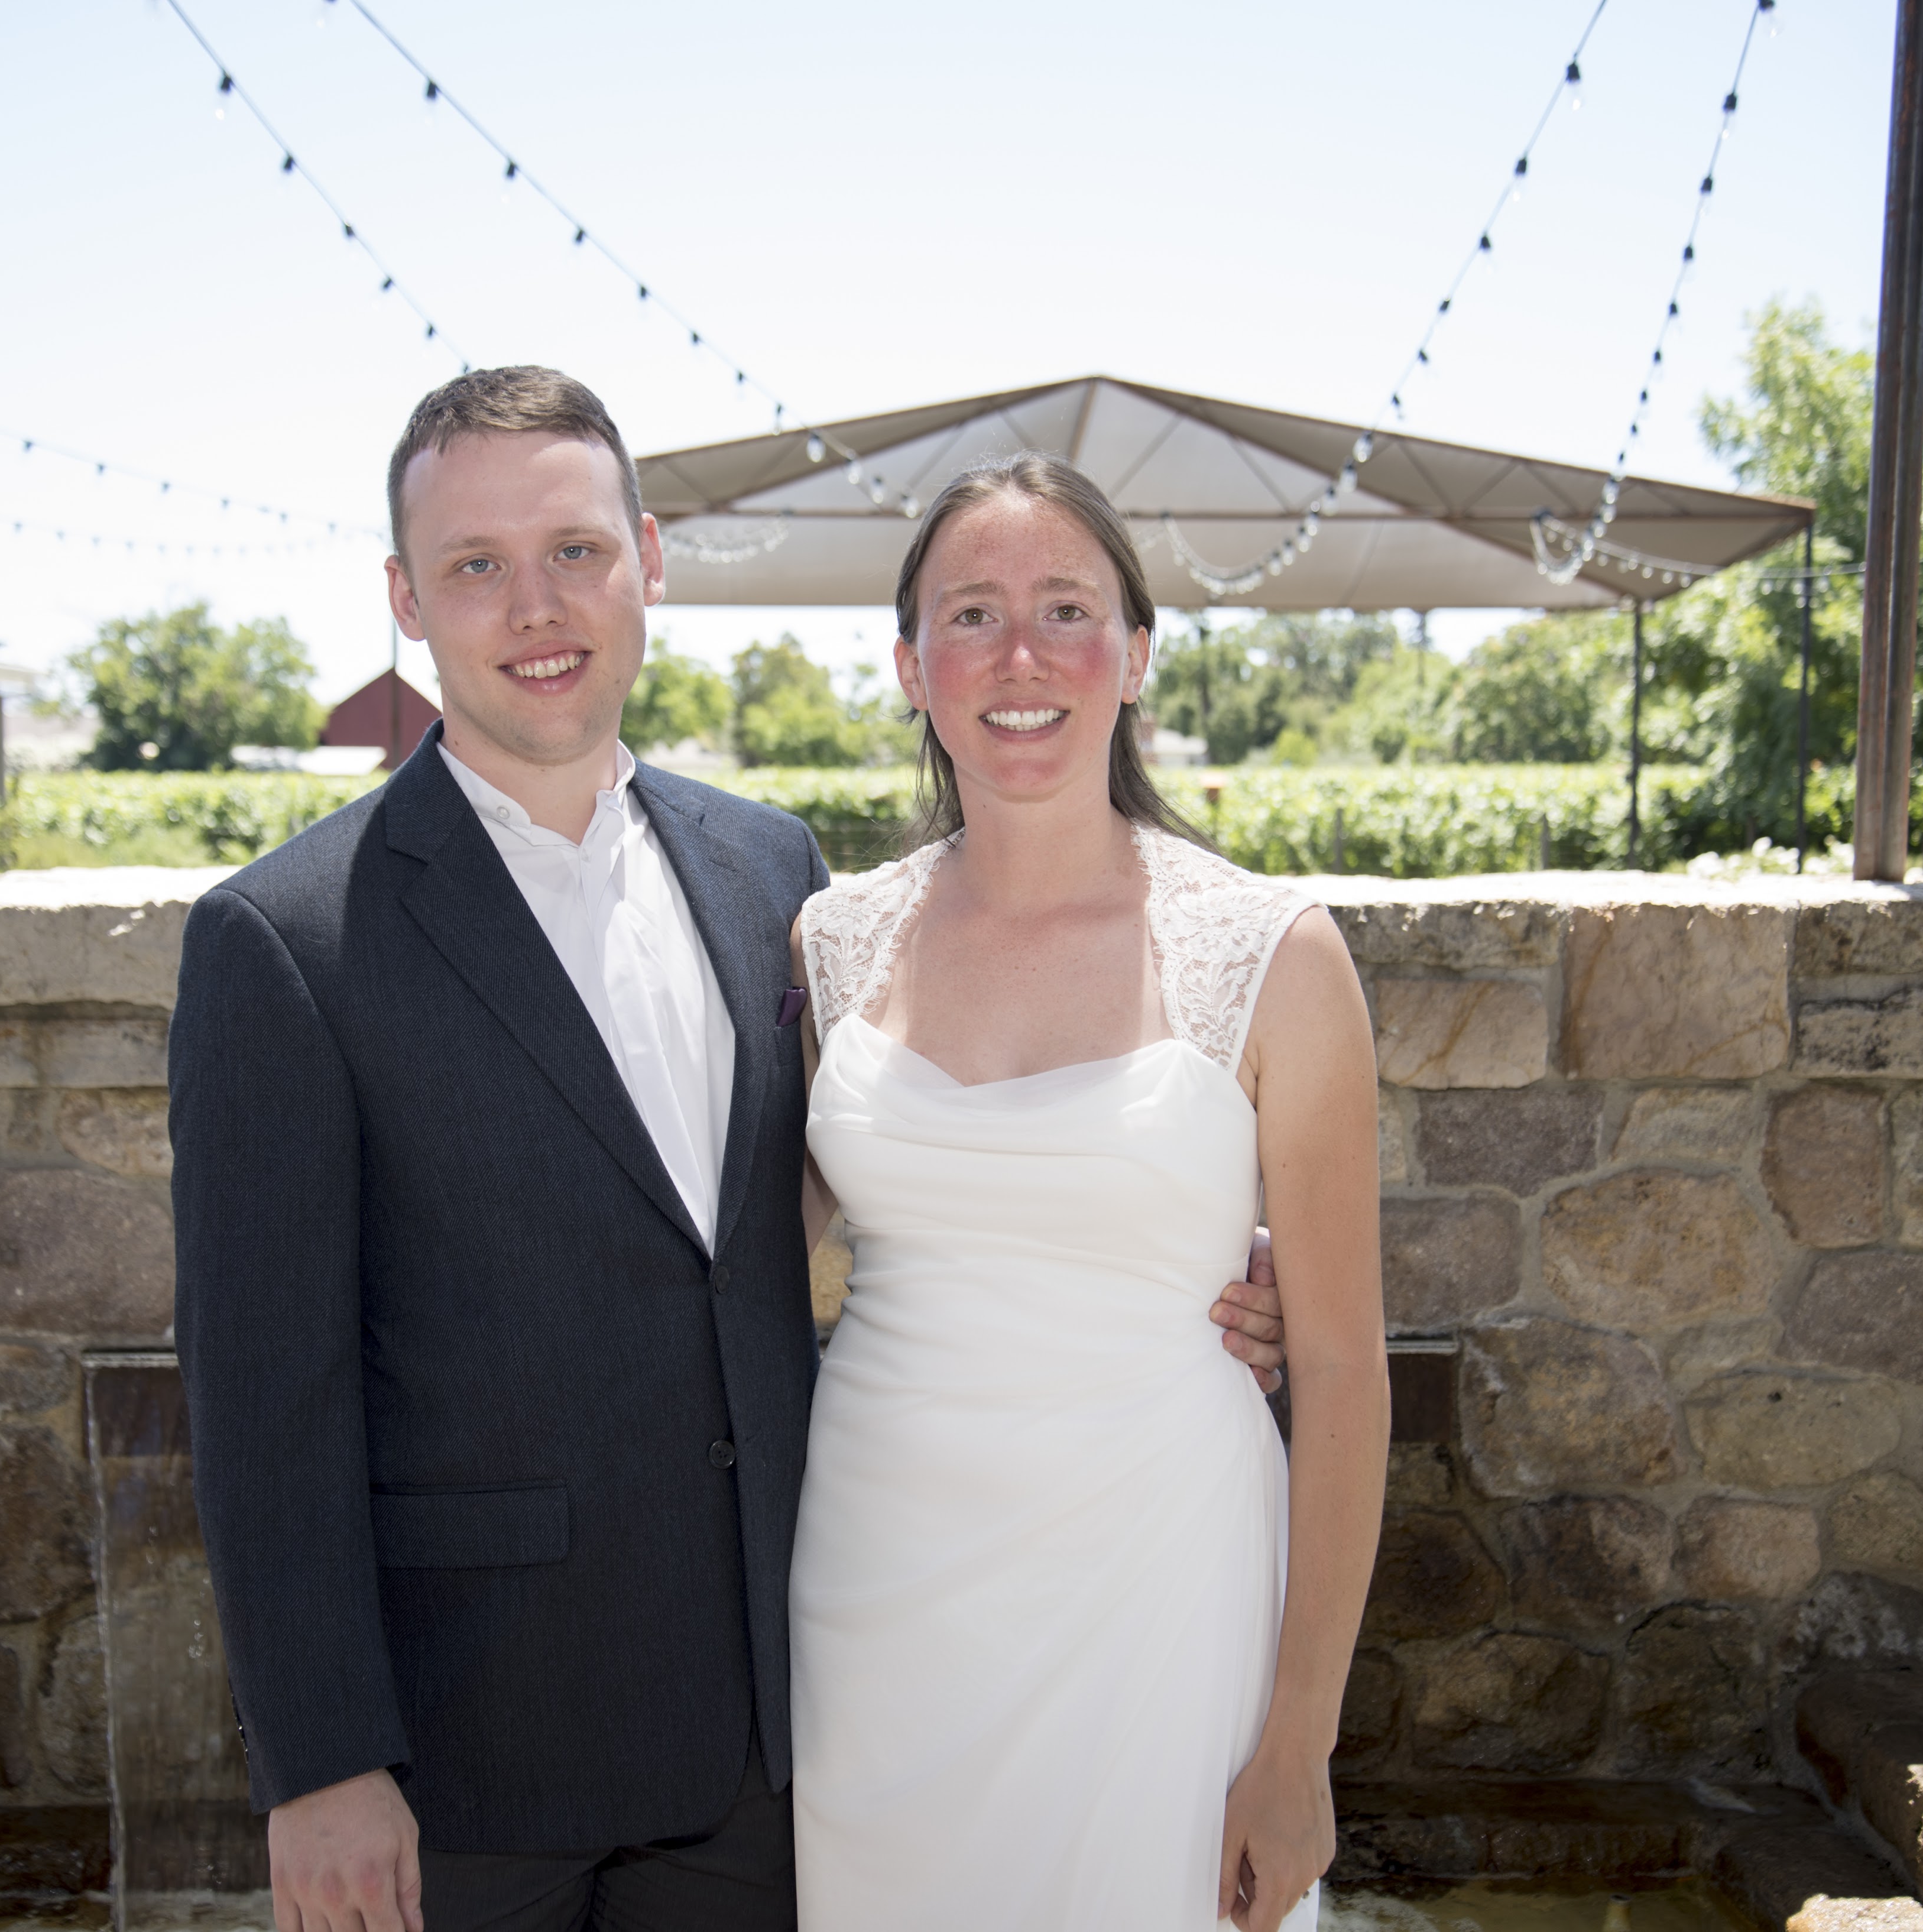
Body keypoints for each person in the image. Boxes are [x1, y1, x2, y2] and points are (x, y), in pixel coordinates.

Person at [169, 368, 1292, 1932]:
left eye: (575, 549)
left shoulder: (777, 876)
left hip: (772, 1729)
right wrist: (321, 1761)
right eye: (476, 564)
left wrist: (1203, 1266)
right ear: (405, 601)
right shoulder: (283, 939)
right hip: (463, 1758)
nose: (538, 606)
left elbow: (868, 1181)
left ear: (647, 557)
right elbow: (260, 1396)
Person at [786, 452, 1390, 1931]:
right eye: (972, 614)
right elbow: (753, 1262)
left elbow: (1342, 1365)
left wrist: (1301, 1741)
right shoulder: (831, 942)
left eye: (1067, 607)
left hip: (1162, 1589)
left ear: (1136, 651)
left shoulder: (1274, 953)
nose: (1022, 654)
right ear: (911, 667)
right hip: (878, 1592)